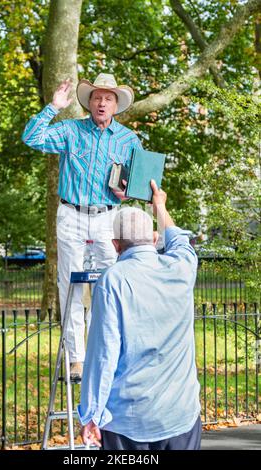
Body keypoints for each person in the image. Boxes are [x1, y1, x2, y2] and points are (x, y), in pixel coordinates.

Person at [22, 73, 142, 381]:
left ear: (116, 105)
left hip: (106, 217)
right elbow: (31, 138)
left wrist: (127, 191)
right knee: (71, 287)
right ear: (89, 102)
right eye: (97, 97)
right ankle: (76, 358)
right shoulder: (70, 130)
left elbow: (139, 184)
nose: (102, 102)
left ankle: (109, 351)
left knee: (112, 285)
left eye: (108, 98)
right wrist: (52, 107)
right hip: (72, 215)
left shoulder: (129, 140)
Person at [78, 180, 201, 450]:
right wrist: (159, 207)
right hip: (181, 415)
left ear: (115, 245)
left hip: (129, 422)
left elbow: (103, 353)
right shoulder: (181, 267)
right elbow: (179, 240)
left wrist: (92, 414)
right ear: (155, 239)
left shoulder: (113, 280)